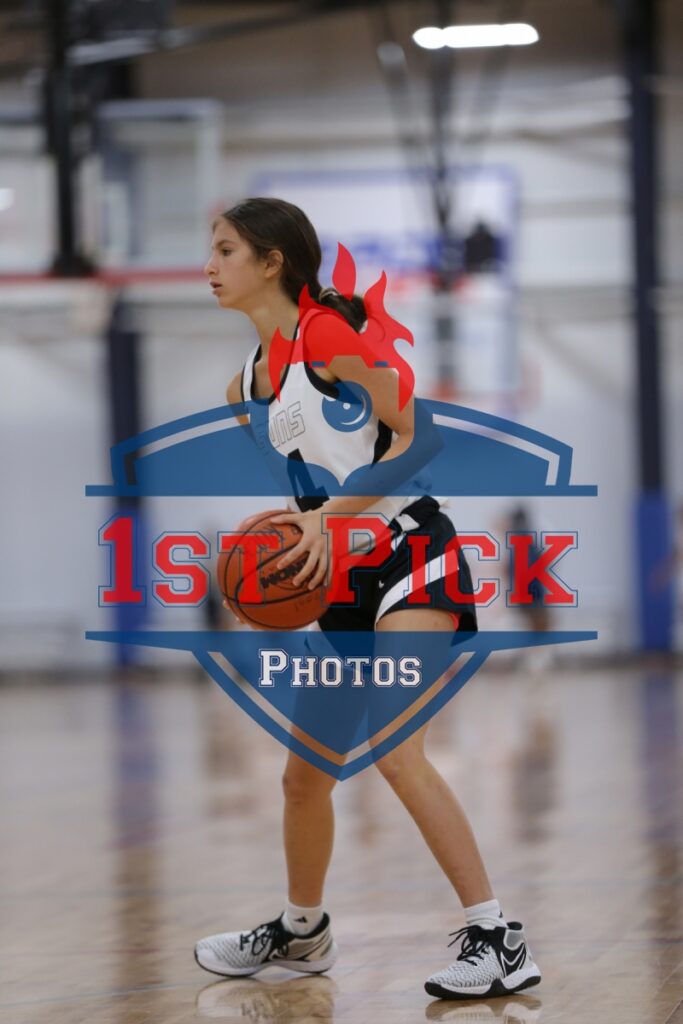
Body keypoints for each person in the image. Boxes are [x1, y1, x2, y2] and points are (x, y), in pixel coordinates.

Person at [194, 197, 541, 1001]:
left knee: (395, 748)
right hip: (343, 583)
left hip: (413, 554)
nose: (209, 266)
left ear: (272, 262)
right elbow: (310, 494)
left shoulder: (326, 337)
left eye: (225, 250)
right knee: (303, 778)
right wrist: (269, 558)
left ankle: (497, 938)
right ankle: (302, 931)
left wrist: (334, 517)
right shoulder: (244, 385)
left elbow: (423, 437)